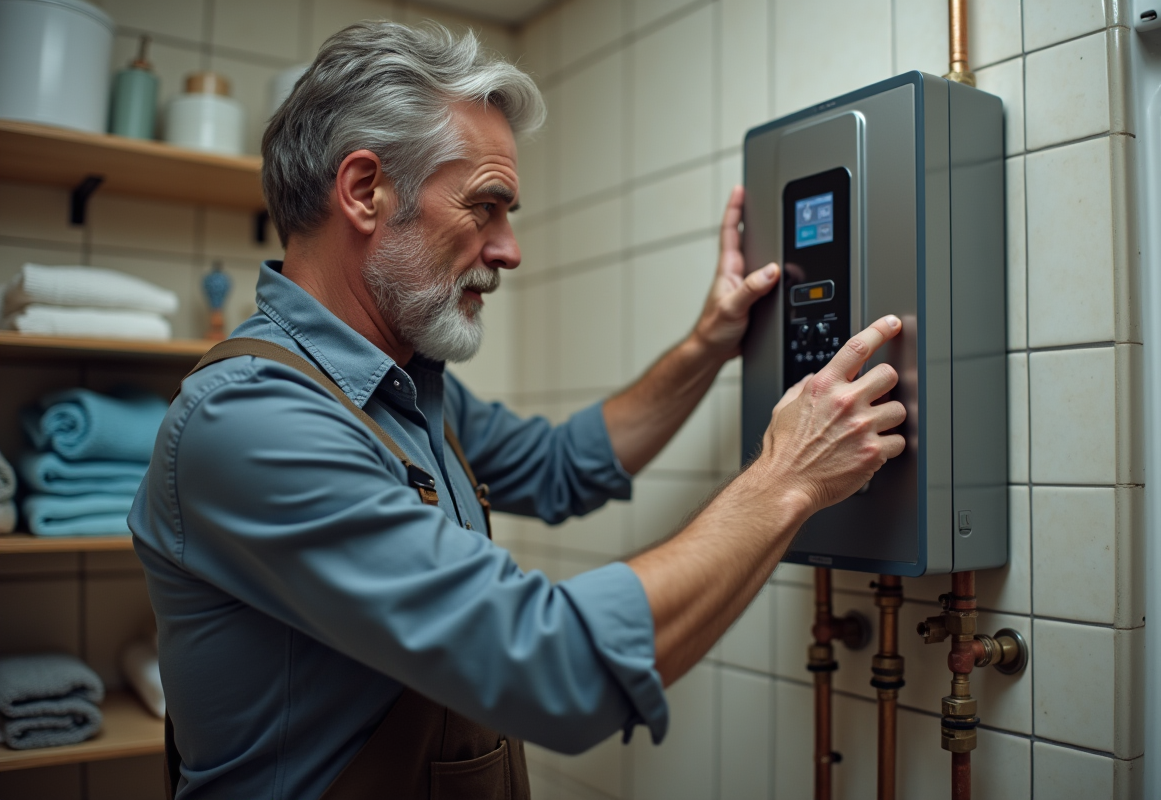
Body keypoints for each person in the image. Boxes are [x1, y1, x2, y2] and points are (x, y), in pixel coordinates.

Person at [129, 21, 906, 800]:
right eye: (486, 207)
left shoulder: (406, 387)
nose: (509, 249)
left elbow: (564, 466)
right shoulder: (254, 422)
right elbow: (551, 669)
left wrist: (709, 343)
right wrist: (786, 479)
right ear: (366, 192)